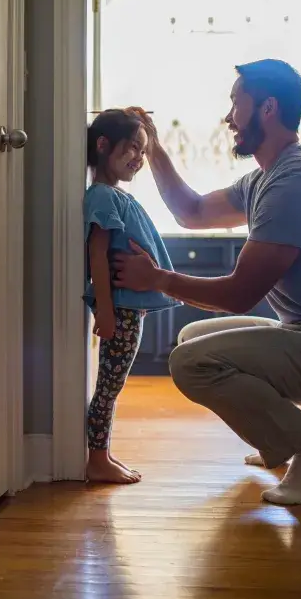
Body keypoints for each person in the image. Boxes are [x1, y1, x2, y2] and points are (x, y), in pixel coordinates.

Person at [114, 60, 301, 505]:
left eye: (237, 101)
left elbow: (240, 295)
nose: (229, 117)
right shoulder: (264, 179)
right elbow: (193, 212)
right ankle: (276, 439)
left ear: (268, 108)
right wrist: (155, 149)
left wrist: (158, 278)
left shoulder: (294, 182)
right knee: (192, 336)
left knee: (190, 362)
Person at [83, 108, 181, 484]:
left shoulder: (114, 196)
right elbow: (97, 252)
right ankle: (97, 459)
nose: (139, 158)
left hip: (127, 308)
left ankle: (102, 453)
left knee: (112, 384)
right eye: (133, 148)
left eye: (143, 151)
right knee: (109, 386)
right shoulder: (104, 197)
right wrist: (105, 310)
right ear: (104, 145)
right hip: (120, 309)